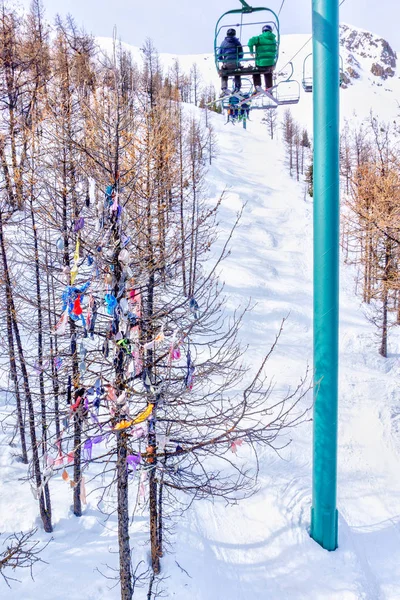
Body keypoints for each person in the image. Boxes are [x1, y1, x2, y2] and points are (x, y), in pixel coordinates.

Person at [248, 24, 277, 92]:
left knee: (255, 72)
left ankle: (258, 86)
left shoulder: (259, 38)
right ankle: (269, 87)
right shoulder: (273, 39)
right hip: (270, 63)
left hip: (260, 62)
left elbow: (250, 42)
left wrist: (251, 51)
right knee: (268, 72)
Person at [218, 28, 243, 96]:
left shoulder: (223, 43)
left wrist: (223, 61)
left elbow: (219, 55)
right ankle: (237, 87)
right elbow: (241, 54)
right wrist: (238, 59)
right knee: (237, 71)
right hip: (235, 63)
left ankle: (224, 88)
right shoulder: (237, 43)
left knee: (224, 72)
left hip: (227, 63)